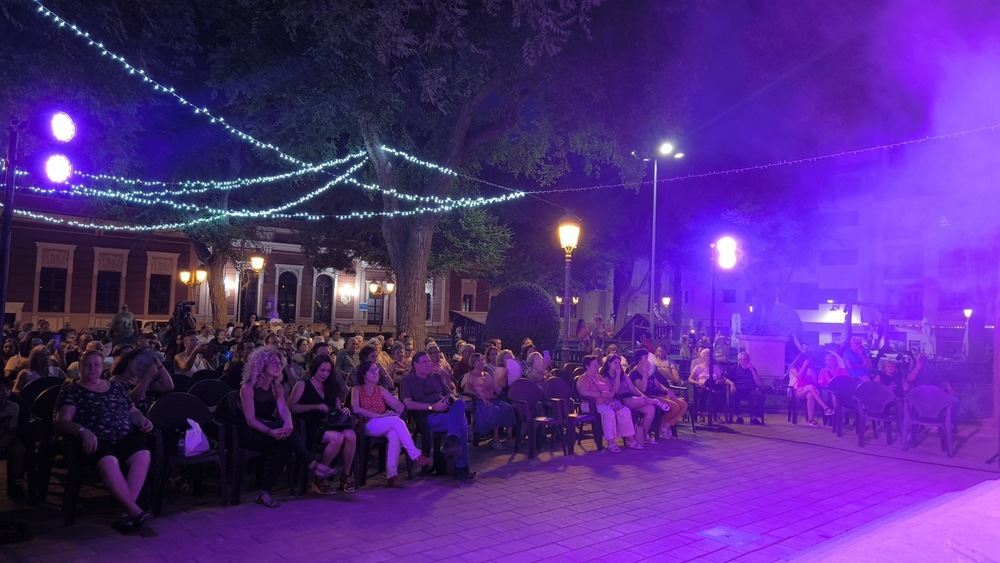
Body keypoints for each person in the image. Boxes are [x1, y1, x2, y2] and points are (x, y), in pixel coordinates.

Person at [55, 349, 153, 532]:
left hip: (123, 436)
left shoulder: (115, 387)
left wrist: (142, 419)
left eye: (96, 365)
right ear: (80, 367)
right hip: (95, 439)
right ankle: (134, 511)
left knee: (143, 454)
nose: (92, 368)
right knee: (109, 461)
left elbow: (131, 410)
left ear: (102, 367)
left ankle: (125, 513)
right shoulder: (73, 390)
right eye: (87, 365)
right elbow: (62, 421)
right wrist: (83, 431)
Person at [240, 346, 337, 508]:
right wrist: (271, 431)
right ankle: (312, 464)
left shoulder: (275, 387)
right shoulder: (248, 388)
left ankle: (264, 492)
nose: (279, 366)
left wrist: (289, 424)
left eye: (280, 362)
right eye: (274, 363)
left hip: (270, 429)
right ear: (262, 365)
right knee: (282, 430)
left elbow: (284, 410)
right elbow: (250, 419)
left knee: (285, 445)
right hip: (252, 432)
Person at [352, 360, 432, 487]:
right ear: (364, 375)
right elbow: (355, 408)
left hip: (383, 422)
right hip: (367, 424)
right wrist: (381, 416)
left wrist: (396, 413)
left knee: (395, 434)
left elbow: (399, 405)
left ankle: (392, 476)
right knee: (396, 422)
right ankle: (416, 455)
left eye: (376, 370)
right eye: (372, 370)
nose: (375, 372)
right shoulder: (357, 390)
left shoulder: (380, 389)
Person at [288, 355, 358, 494]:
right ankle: (320, 477)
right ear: (314, 369)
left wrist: (343, 409)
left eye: (327, 371)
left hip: (331, 423)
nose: (324, 374)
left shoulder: (331, 386)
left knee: (350, 435)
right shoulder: (303, 385)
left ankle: (345, 475)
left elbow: (338, 407)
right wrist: (315, 406)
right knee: (337, 438)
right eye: (322, 370)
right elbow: (290, 407)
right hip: (312, 424)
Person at [400, 351, 475, 480]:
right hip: (427, 416)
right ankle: (461, 468)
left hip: (445, 412)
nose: (428, 364)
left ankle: (452, 440)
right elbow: (408, 404)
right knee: (461, 423)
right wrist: (432, 406)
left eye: (429, 361)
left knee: (460, 403)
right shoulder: (407, 380)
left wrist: (445, 401)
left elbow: (450, 394)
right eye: (425, 362)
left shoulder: (437, 377)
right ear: (415, 364)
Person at [576, 354, 637, 453]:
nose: (597, 367)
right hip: (590, 405)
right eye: (594, 365)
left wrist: (610, 394)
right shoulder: (582, 378)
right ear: (587, 366)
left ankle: (631, 440)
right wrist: (600, 394)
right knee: (609, 412)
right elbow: (583, 392)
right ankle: (611, 442)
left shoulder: (599, 378)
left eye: (597, 365)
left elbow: (610, 390)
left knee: (624, 411)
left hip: (604, 403)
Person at [461, 353, 515, 449]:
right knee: (494, 410)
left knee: (508, 408)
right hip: (474, 400)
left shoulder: (487, 375)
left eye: (482, 360)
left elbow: (495, 388)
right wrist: (480, 397)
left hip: (489, 399)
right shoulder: (468, 376)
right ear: (473, 364)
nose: (481, 362)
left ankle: (509, 438)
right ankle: (495, 439)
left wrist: (502, 379)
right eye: (478, 361)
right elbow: (467, 390)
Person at [600, 353, 655, 446]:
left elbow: (633, 388)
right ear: (609, 364)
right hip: (619, 399)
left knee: (650, 408)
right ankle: (654, 401)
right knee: (633, 402)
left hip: (630, 397)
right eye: (615, 363)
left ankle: (643, 436)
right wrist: (617, 375)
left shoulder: (623, 375)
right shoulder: (605, 377)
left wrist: (642, 395)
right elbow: (615, 392)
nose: (618, 365)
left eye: (619, 363)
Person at [112, 348, 175, 415]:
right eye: (138, 361)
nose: (140, 366)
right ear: (129, 360)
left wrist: (158, 363)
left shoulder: (141, 379)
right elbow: (130, 400)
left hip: (151, 417)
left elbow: (168, 387)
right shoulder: (116, 381)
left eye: (145, 364)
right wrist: (148, 377)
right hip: (133, 420)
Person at [789, 353, 835, 427]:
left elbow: (814, 381)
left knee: (810, 394)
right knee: (811, 387)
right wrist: (804, 366)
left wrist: (811, 369)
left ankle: (811, 420)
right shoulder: (794, 368)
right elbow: (799, 377)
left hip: (805, 389)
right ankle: (825, 407)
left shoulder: (809, 369)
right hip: (794, 390)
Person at [1, 377, 25, 497]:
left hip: (7, 437)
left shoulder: (13, 407)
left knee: (19, 450)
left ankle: (15, 482)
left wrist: (8, 438)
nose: (4, 392)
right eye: (1, 389)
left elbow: (13, 429)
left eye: (7, 389)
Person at [729, 352, 765, 425]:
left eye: (748, 359)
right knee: (733, 394)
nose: (747, 361)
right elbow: (727, 378)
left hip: (751, 390)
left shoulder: (752, 369)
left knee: (760, 395)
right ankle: (739, 417)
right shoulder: (734, 368)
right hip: (739, 389)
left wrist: (752, 370)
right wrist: (731, 383)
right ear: (739, 360)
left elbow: (758, 383)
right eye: (745, 359)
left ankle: (753, 418)